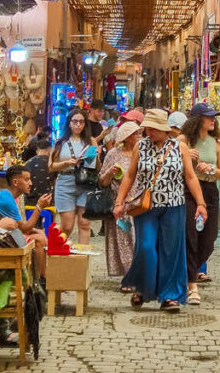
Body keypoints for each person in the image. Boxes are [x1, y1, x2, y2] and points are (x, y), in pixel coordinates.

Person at [113, 108, 207, 313]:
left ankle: (170, 295)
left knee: (171, 252)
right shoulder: (141, 146)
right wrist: (119, 202)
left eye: (154, 128)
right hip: (146, 207)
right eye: (147, 128)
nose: (149, 132)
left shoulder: (179, 147)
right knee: (146, 247)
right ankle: (141, 287)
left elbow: (190, 177)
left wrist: (201, 204)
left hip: (174, 206)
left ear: (165, 130)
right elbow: (129, 175)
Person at [179, 103, 220, 306]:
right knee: (191, 236)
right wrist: (185, 156)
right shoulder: (183, 140)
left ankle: (185, 271)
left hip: (209, 190)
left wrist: (211, 169)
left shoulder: (216, 143)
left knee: (209, 238)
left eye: (214, 117)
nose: (213, 120)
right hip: (188, 191)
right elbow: (170, 162)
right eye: (209, 117)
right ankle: (192, 285)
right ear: (197, 119)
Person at [98, 121, 141, 287]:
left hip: (139, 203)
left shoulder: (143, 153)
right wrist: (110, 172)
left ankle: (139, 273)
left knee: (139, 241)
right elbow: (102, 181)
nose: (140, 137)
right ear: (128, 137)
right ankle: (128, 277)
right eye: (137, 134)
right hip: (120, 204)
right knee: (124, 242)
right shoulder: (113, 154)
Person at [48, 108, 97, 245]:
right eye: (74, 121)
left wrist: (96, 156)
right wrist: (66, 163)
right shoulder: (60, 142)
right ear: (69, 123)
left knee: (85, 223)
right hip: (65, 181)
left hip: (85, 181)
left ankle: (82, 259)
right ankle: (58, 252)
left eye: (81, 122)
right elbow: (51, 166)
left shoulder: (91, 141)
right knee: (67, 226)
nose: (78, 125)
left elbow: (96, 166)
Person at [0, 166, 51, 278]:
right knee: (39, 240)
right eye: (27, 179)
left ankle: (44, 276)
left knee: (41, 234)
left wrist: (37, 231)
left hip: (5, 234)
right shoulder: (7, 199)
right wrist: (39, 207)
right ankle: (39, 282)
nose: (30, 183)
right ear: (15, 182)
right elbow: (25, 229)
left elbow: (20, 227)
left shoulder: (14, 197)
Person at [24, 137, 53, 206]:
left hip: (30, 201)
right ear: (50, 150)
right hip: (48, 201)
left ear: (37, 151)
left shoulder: (28, 163)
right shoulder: (53, 164)